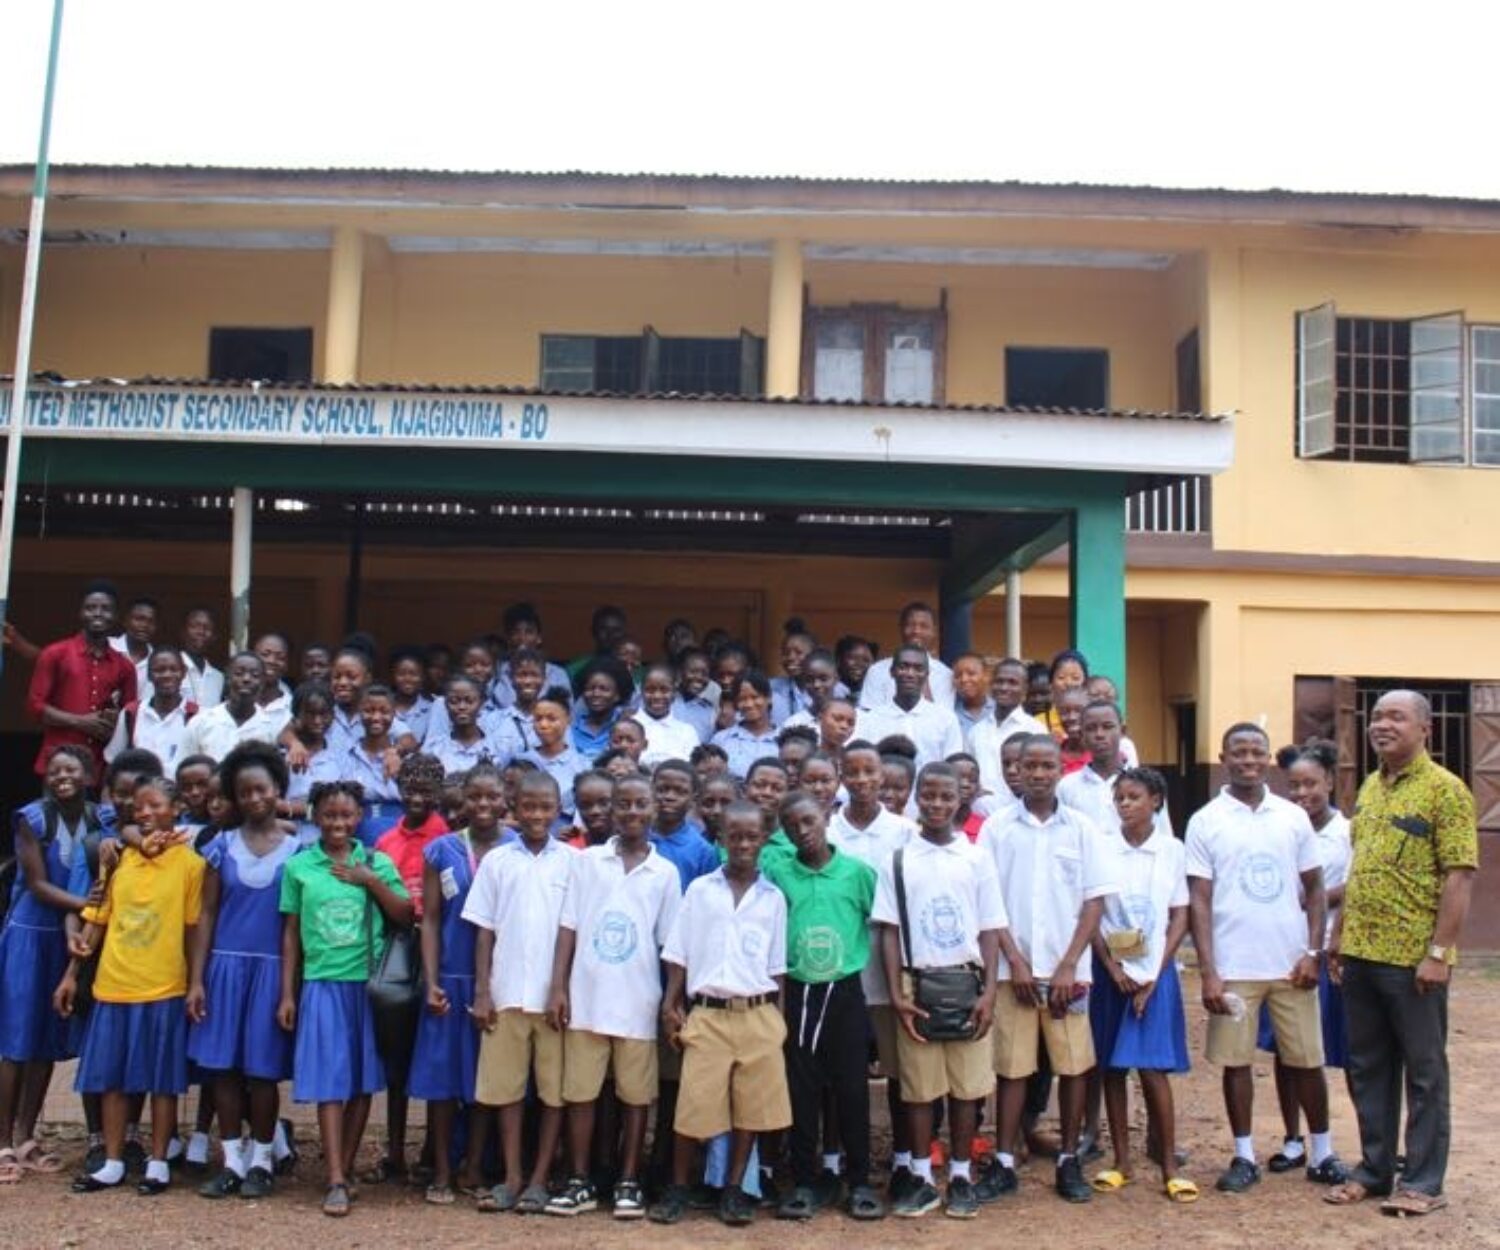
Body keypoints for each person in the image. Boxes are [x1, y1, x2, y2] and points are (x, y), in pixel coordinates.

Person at [1326, 690, 1478, 1217]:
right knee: (1367, 1066)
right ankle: (1374, 1170)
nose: (1382, 725)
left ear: (1425, 729)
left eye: (1396, 717)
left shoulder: (1447, 792)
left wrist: (1439, 953)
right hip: (1363, 952)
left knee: (1424, 1071)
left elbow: (1458, 876)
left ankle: (1424, 1182)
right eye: (1377, 717)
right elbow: (1360, 868)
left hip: (1414, 959)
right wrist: (1339, 934)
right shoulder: (1369, 786)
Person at [1187, 723, 1341, 1194]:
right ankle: (1244, 1155)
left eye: (1257, 752)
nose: (1248, 760)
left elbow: (1315, 890)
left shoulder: (1291, 817)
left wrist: (1313, 952)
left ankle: (1323, 1152)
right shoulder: (1206, 820)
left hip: (1291, 964)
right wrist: (1210, 971)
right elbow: (1199, 900)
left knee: (1306, 1060)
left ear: (1269, 758)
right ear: (1223, 757)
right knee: (1237, 1064)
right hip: (1234, 967)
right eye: (1239, 752)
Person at [977, 735, 1114, 1205]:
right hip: (1013, 973)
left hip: (1068, 974)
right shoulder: (997, 828)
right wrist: (1013, 960)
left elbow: (1094, 902)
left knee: (1073, 1067)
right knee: (1011, 1070)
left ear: (1061, 769)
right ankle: (1004, 1161)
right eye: (1028, 765)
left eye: (1046, 765)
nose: (1037, 773)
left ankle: (1068, 1159)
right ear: (1016, 768)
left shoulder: (1082, 828)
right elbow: (989, 902)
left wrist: (1069, 963)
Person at [58, 775, 205, 1196]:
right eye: (138, 807)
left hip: (164, 985)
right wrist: (71, 974)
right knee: (113, 1079)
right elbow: (96, 920)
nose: (144, 813)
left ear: (175, 808)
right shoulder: (117, 858)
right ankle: (114, 1160)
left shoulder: (192, 865)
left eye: (154, 805)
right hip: (114, 983)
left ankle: (158, 1161)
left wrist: (195, 982)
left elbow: (194, 930)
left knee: (162, 1080)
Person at [545, 773, 682, 1219]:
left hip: (637, 1002)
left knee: (636, 1096)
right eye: (623, 804)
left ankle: (629, 1180)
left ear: (653, 809)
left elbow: (673, 947)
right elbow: (568, 926)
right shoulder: (587, 863)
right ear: (613, 809)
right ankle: (581, 1180)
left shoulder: (664, 872)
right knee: (581, 1094)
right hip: (586, 998)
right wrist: (559, 986)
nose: (632, 812)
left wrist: (670, 1001)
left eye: (641, 804)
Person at [649, 800, 791, 1227]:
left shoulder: (773, 898)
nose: (743, 844)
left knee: (749, 1110)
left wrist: (778, 1022)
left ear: (763, 840)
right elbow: (679, 953)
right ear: (720, 839)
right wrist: (671, 1002)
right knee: (694, 1106)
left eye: (752, 837)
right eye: (735, 836)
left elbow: (777, 968)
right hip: (707, 1013)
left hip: (757, 1012)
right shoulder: (700, 891)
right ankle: (678, 1188)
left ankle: (734, 1189)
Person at [277, 779, 413, 1218]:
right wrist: (287, 993)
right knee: (331, 1084)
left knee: (360, 1081)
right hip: (321, 984)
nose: (338, 823)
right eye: (330, 815)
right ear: (315, 817)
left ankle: (348, 1166)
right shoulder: (301, 867)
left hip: (368, 986)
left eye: (347, 816)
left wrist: (369, 879)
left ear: (359, 818)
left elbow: (404, 914)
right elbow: (291, 936)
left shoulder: (375, 860)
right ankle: (334, 1175)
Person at [874, 761, 1003, 1219]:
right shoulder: (901, 857)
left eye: (946, 796)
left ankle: (963, 1174)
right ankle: (924, 1179)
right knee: (919, 1089)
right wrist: (896, 992)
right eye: (927, 795)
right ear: (916, 798)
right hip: (917, 982)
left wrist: (989, 991)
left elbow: (991, 929)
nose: (936, 804)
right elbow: (889, 930)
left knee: (967, 1088)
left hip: (966, 980)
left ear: (958, 801)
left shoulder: (975, 856)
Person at [765, 791, 885, 1221]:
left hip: (846, 993)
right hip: (798, 993)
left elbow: (884, 925)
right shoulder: (779, 874)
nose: (803, 831)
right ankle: (803, 1180)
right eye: (792, 825)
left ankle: (859, 1181)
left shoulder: (856, 873)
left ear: (827, 817)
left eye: (809, 821)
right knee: (802, 1091)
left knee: (851, 1089)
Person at [186, 743, 298, 1200]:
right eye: (244, 792)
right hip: (224, 970)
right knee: (223, 1071)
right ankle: (231, 1159)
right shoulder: (218, 847)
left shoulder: (297, 850)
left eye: (262, 790)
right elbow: (206, 915)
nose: (254, 799)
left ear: (278, 790)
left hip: (271, 972)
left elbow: (293, 930)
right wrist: (196, 979)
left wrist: (289, 991)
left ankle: (263, 1159)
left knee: (262, 1073)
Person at [463, 771, 576, 1215]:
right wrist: (483, 991)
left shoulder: (572, 861)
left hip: (553, 1001)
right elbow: (484, 931)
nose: (536, 815)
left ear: (557, 808)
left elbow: (570, 929)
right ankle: (511, 1176)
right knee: (506, 1091)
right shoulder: (496, 861)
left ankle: (539, 1178)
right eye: (528, 806)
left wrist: (560, 988)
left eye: (545, 807)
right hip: (506, 991)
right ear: (514, 806)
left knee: (553, 1092)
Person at [1087, 767, 1195, 1202]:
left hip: (1155, 972)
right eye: (1119, 798)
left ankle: (1167, 1162)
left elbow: (1180, 914)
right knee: (1112, 1068)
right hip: (1111, 972)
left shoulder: (1171, 850)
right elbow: (1092, 911)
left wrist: (1153, 976)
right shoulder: (1101, 848)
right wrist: (1113, 969)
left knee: (1152, 1068)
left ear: (1156, 802)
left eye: (1134, 797)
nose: (1125, 804)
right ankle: (1121, 1161)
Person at [0, 746, 99, 1183]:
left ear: (88, 774)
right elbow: (38, 884)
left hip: (67, 938)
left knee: (44, 1039)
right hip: (30, 934)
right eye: (56, 770)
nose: (63, 776)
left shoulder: (101, 819)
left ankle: (27, 1136)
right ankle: (2, 1141)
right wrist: (92, 908)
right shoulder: (32, 819)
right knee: (16, 1039)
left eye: (71, 769)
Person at [410, 763, 508, 1205]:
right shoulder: (441, 850)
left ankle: (473, 1166)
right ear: (462, 801)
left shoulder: (516, 850)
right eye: (475, 797)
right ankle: (442, 1172)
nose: (483, 805)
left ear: (505, 799)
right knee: (444, 1081)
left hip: (500, 982)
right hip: (450, 977)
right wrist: (431, 981)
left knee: (487, 1080)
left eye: (492, 797)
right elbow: (429, 921)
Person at [1262, 741, 1351, 1175]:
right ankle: (1292, 1139)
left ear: (1330, 782)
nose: (1301, 793)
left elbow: (1354, 886)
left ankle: (1339, 1144)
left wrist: (1313, 893)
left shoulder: (1346, 832)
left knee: (1334, 1052)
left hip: (1329, 952)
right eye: (1293, 785)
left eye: (1311, 783)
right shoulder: (1278, 825)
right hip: (1283, 952)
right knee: (1285, 1051)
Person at [368, 752, 450, 1183]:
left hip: (437, 949)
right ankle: (395, 1153)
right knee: (397, 1058)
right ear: (398, 791)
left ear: (438, 793)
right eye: (410, 788)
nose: (417, 797)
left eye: (426, 789)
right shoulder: (386, 840)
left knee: (434, 1054)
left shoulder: (447, 837)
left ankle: (433, 1155)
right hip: (397, 948)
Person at [27, 580, 137, 782]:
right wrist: (80, 722)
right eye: (91, 608)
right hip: (56, 765)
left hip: (99, 766)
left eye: (105, 609)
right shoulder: (55, 654)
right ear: (81, 613)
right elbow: (35, 707)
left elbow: (130, 715)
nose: (98, 613)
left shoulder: (124, 666)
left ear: (115, 616)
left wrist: (113, 724)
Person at [856, 646, 964, 769]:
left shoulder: (945, 719)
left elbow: (953, 767)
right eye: (903, 667)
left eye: (918, 669)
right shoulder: (872, 719)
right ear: (892, 672)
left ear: (927, 674)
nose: (910, 674)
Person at [181, 652, 288, 763]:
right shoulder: (200, 723)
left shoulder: (270, 729)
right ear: (227, 678)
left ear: (262, 682)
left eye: (255, 675)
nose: (246, 679)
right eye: (239, 673)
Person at [106, 646, 197, 770]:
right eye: (159, 670)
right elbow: (114, 760)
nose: (167, 675)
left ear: (184, 673)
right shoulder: (132, 713)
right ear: (149, 675)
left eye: (173, 669)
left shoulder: (196, 715)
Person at [859, 604, 952, 707]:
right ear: (901, 628)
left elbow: (943, 717)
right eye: (910, 625)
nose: (916, 631)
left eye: (924, 626)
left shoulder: (946, 675)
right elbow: (869, 713)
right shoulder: (877, 670)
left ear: (933, 631)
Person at [520, 688, 589, 819]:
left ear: (568, 719)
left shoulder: (583, 766)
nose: (544, 725)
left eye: (552, 719)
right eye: (538, 719)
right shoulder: (522, 761)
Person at [490, 603, 571, 708]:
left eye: (529, 632)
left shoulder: (557, 674)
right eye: (515, 632)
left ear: (539, 638)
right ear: (508, 638)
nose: (522, 637)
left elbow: (566, 714)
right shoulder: (497, 672)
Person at [711, 671, 781, 778]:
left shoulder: (783, 739)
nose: (749, 704)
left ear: (769, 697)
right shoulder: (721, 740)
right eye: (742, 699)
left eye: (755, 697)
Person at [632, 663, 701, 767]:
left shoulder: (687, 732)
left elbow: (693, 768)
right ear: (641, 691)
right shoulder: (629, 727)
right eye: (650, 690)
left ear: (674, 692)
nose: (657, 696)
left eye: (664, 690)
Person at [109, 595, 159, 694]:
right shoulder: (107, 646)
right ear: (125, 621)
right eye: (139, 619)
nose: (144, 625)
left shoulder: (157, 661)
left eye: (151, 621)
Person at [671, 647, 720, 744]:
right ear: (680, 672)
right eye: (693, 672)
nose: (699, 677)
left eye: (704, 674)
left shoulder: (709, 712)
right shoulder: (666, 701)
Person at [388, 645, 435, 744]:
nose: (407, 679)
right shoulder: (383, 706)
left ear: (423, 677)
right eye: (401, 674)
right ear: (393, 676)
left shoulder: (432, 708)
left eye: (413, 674)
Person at [178, 608, 224, 708]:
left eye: (207, 628)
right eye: (195, 626)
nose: (201, 632)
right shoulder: (169, 669)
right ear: (183, 631)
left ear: (214, 636)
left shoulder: (219, 677)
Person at [770, 626, 817, 725]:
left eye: (799, 653)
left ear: (813, 655)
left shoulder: (832, 689)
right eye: (786, 653)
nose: (791, 657)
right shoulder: (772, 688)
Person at [950, 653, 993, 750]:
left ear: (986, 675)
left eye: (971, 673)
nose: (964, 679)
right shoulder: (950, 715)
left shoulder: (998, 711)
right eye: (958, 676)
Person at [834, 635, 877, 704]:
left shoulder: (876, 693)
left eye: (866, 660)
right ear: (839, 659)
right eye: (853, 658)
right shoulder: (829, 691)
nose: (860, 664)